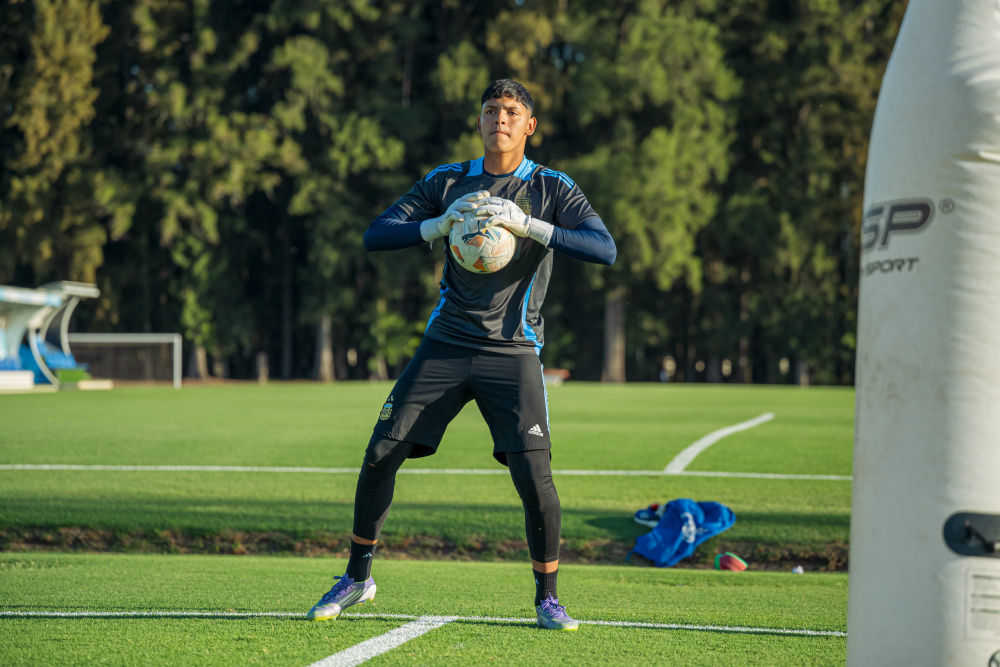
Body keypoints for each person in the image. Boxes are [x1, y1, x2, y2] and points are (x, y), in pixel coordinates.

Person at [306, 79, 616, 631]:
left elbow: (604, 248)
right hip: (446, 344)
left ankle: (548, 598)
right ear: (478, 122)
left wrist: (530, 226)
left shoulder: (552, 187)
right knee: (380, 454)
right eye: (491, 110)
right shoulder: (446, 181)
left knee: (533, 476)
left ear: (529, 126)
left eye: (512, 111)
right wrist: (436, 224)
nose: (500, 118)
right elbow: (375, 235)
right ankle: (357, 577)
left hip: (513, 351)